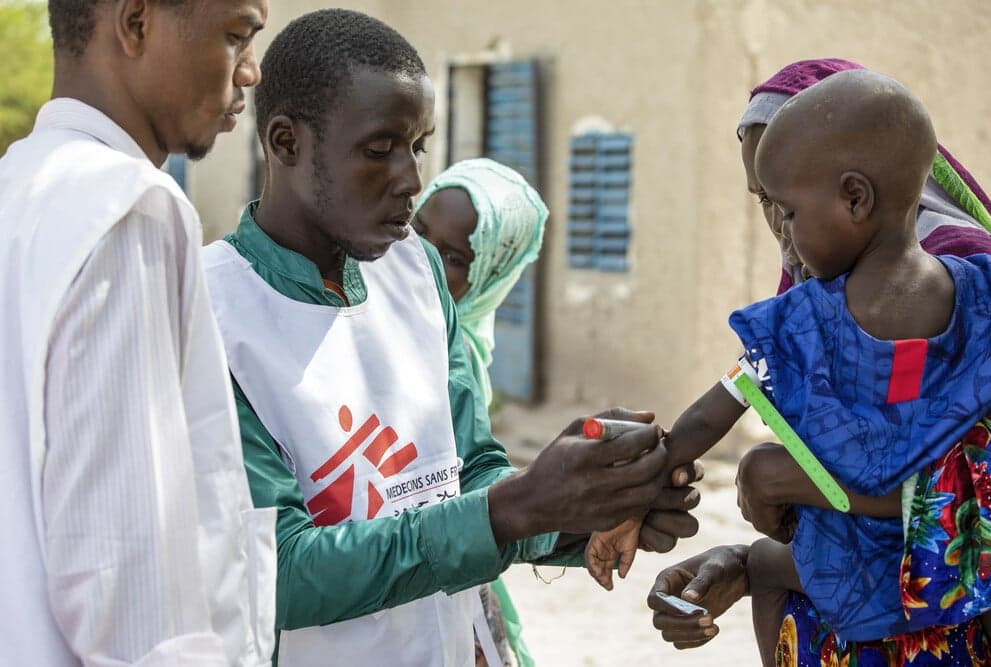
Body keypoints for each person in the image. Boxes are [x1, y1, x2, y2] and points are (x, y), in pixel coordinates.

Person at [201, 9, 700, 667]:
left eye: (419, 146)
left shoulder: (413, 267)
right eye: (381, 149)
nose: (410, 179)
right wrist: (517, 507)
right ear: (286, 142)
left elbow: (467, 471)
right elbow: (279, 572)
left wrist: (579, 507)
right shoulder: (213, 311)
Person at [638, 70, 991, 665]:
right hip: (945, 588)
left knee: (770, 575)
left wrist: (663, 462)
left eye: (786, 210)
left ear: (855, 197)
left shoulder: (804, 321)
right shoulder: (980, 294)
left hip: (848, 582)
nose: (780, 231)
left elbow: (727, 397)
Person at [0, 1, 276, 665]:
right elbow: (126, 584)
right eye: (235, 35)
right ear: (136, 24)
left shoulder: (20, 184)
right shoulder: (128, 208)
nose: (251, 73)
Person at [414, 158, 549, 666]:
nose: (424, 258)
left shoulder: (458, 352)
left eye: (452, 257)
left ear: (492, 275)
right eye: (418, 231)